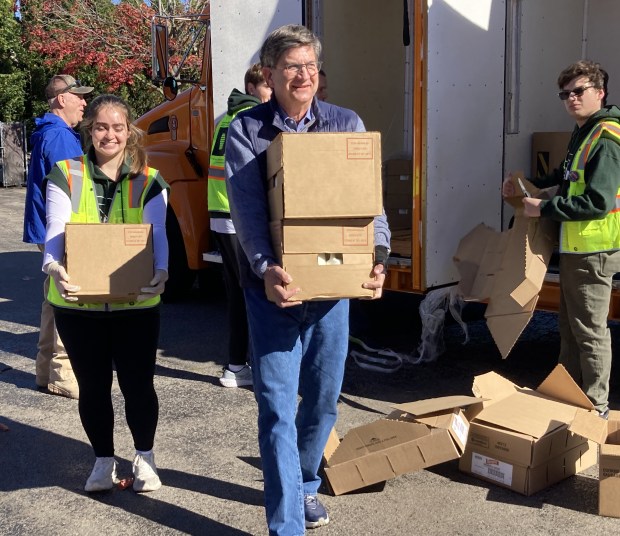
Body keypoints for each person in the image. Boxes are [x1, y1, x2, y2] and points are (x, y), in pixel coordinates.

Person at [225, 25, 390, 535]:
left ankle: (305, 485)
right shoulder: (247, 130)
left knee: (322, 402)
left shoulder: (345, 123)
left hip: (332, 292)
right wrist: (265, 268)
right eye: (292, 66)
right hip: (271, 290)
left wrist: (378, 257)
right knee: (276, 408)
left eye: (310, 66)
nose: (303, 75)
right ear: (270, 74)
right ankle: (286, 525)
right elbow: (248, 214)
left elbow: (369, 205)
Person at [42, 94, 170, 492]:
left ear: (128, 130)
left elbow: (158, 236)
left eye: (118, 127)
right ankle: (102, 460)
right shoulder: (65, 173)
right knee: (93, 386)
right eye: (101, 126)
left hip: (136, 303)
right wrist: (53, 267)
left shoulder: (149, 179)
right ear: (89, 130)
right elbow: (55, 231)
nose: (109, 135)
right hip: (78, 304)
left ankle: (145, 458)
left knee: (138, 385)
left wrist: (163, 271)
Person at [503, 60, 620, 419]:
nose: (571, 99)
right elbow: (566, 175)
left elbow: (598, 200)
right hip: (577, 248)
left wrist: (546, 207)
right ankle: (568, 395)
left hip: (594, 250)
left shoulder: (607, 137)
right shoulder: (585, 131)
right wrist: (528, 185)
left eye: (579, 91)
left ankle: (595, 406)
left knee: (589, 332)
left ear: (599, 93)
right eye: (565, 93)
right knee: (569, 329)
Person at [23, 74, 94, 399]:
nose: (83, 102)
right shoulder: (63, 139)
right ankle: (65, 376)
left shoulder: (47, 133)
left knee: (53, 298)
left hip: (48, 228)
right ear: (60, 99)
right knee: (71, 298)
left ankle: (45, 371)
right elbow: (75, 194)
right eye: (78, 96)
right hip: (66, 229)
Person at [208, 62, 272, 388]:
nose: (272, 95)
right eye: (267, 88)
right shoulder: (249, 119)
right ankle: (250, 367)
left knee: (237, 293)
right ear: (252, 88)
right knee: (254, 294)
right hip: (236, 218)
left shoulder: (227, 118)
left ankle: (236, 365)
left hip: (220, 215)